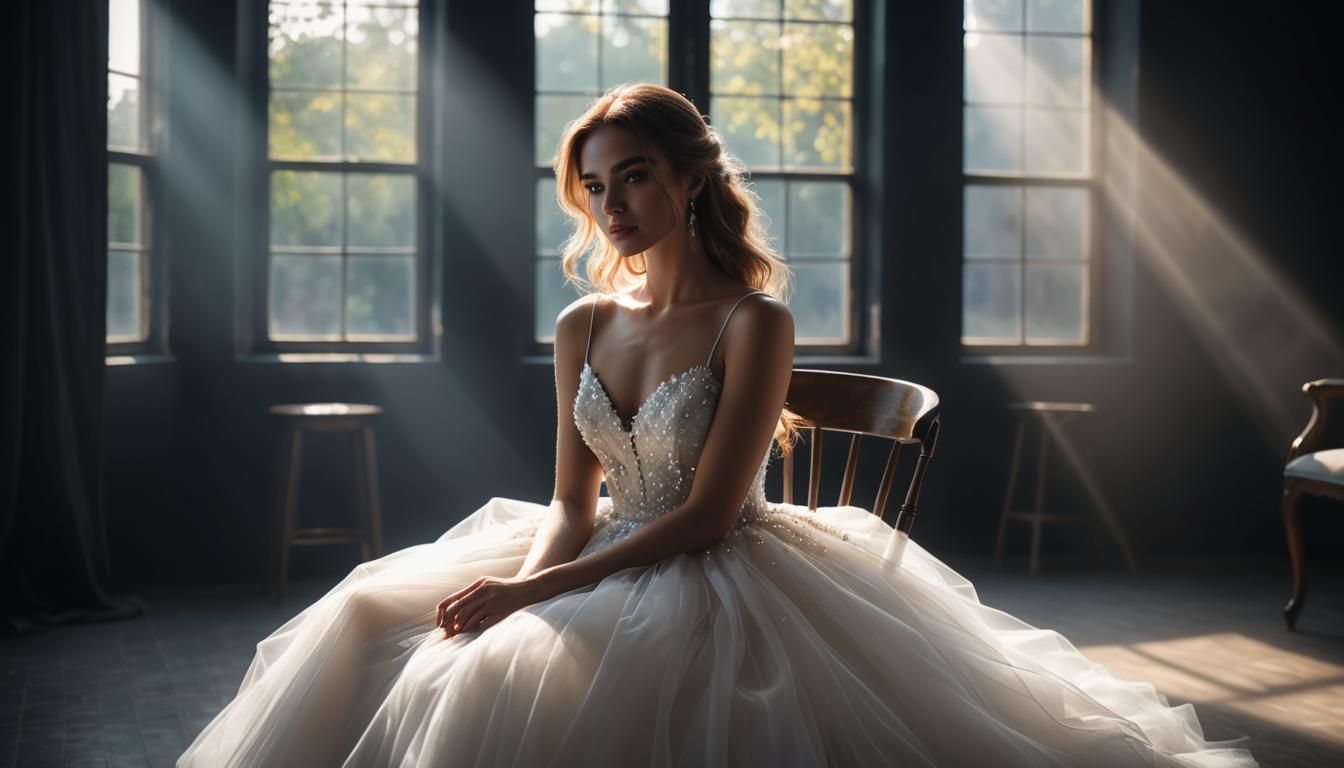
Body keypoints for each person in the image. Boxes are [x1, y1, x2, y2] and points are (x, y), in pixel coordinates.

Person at [179, 83, 1256, 767]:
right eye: (595, 186)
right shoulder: (582, 322)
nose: (612, 205)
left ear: (693, 177)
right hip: (594, 546)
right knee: (375, 609)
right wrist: (526, 582)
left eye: (635, 175)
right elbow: (567, 500)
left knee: (513, 680)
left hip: (717, 560)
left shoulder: (757, 320)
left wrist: (541, 594)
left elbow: (703, 518)